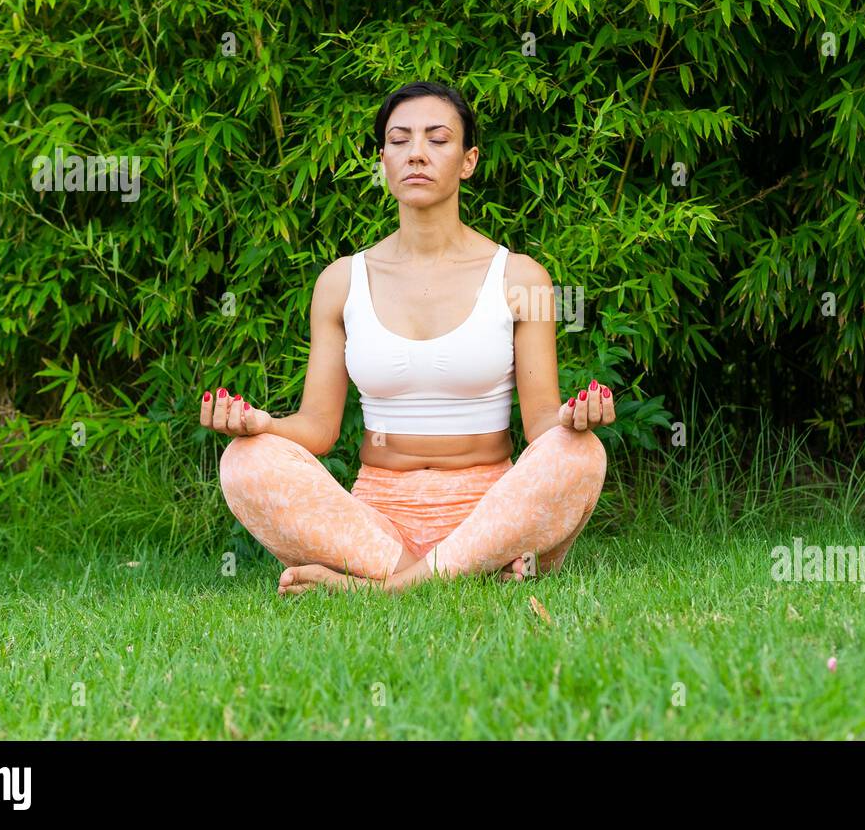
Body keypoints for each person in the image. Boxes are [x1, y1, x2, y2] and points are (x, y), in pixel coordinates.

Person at [201, 80, 613, 595]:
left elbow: (541, 425)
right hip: (380, 519)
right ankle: (458, 571)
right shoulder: (340, 282)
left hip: (490, 512)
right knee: (246, 459)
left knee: (579, 451)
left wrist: (575, 419)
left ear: (468, 160)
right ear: (383, 160)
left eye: (438, 140)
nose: (417, 153)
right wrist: (262, 424)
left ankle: (383, 587)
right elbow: (319, 427)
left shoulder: (520, 278)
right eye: (400, 140)